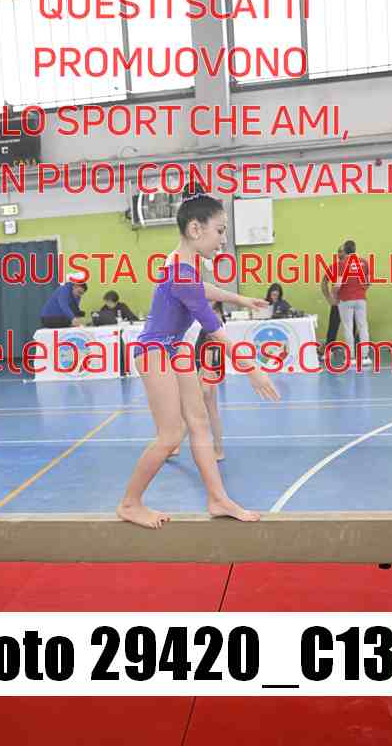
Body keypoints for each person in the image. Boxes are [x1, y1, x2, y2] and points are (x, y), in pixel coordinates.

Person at [116, 184, 280, 530]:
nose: (223, 240)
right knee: (170, 435)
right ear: (195, 229)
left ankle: (218, 498)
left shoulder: (182, 263)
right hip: (155, 351)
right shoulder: (181, 270)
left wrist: (240, 299)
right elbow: (213, 327)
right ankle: (130, 503)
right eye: (220, 231)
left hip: (175, 348)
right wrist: (252, 369)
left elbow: (201, 289)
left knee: (199, 422)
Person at [170, 301, 227, 461]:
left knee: (197, 412)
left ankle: (175, 445)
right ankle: (176, 446)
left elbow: (210, 351)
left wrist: (204, 379)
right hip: (207, 370)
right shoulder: (214, 322)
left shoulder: (211, 324)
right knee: (206, 412)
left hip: (207, 371)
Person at [334, 240, 372, 366]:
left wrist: (335, 295)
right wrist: (361, 291)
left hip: (346, 299)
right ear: (355, 249)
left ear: (345, 250)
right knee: (363, 326)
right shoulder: (364, 262)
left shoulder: (342, 263)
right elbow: (369, 282)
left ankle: (350, 358)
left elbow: (338, 284)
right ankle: (365, 357)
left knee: (348, 327)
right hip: (361, 299)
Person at [319, 244, 358, 357]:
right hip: (338, 303)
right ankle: (328, 351)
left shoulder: (354, 268)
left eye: (342, 251)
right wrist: (329, 298)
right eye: (338, 251)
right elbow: (324, 283)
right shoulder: (334, 267)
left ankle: (352, 353)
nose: (339, 254)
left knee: (352, 328)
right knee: (333, 328)